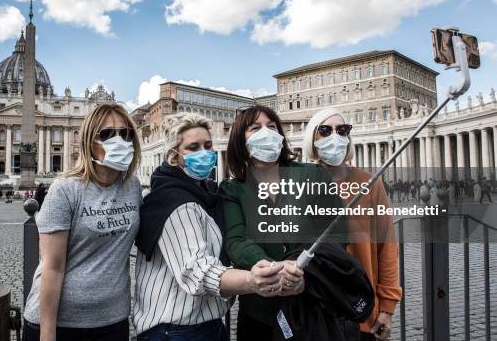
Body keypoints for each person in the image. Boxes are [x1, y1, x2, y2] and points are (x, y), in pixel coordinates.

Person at [134, 113, 288, 340]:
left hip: (205, 324)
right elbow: (198, 271)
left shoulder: (207, 194)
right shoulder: (176, 203)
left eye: (207, 145)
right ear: (173, 157)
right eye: (193, 147)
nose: (204, 153)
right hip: (176, 329)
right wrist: (252, 280)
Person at [220, 105, 344, 340]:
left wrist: (306, 274)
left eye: (272, 126)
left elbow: (335, 233)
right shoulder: (232, 189)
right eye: (255, 128)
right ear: (240, 140)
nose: (266, 132)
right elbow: (237, 239)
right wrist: (273, 269)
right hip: (259, 313)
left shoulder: (315, 175)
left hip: (313, 304)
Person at [23, 103, 142, 341]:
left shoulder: (133, 186)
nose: (118, 140)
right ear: (90, 142)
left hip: (113, 319)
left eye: (125, 133)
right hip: (62, 324)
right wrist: (48, 335)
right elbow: (52, 269)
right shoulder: (65, 190)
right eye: (107, 134)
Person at [303, 108, 402, 341]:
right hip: (315, 310)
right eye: (325, 131)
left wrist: (387, 308)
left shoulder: (370, 183)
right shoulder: (300, 183)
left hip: (361, 307)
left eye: (342, 130)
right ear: (312, 138)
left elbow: (386, 246)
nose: (335, 136)